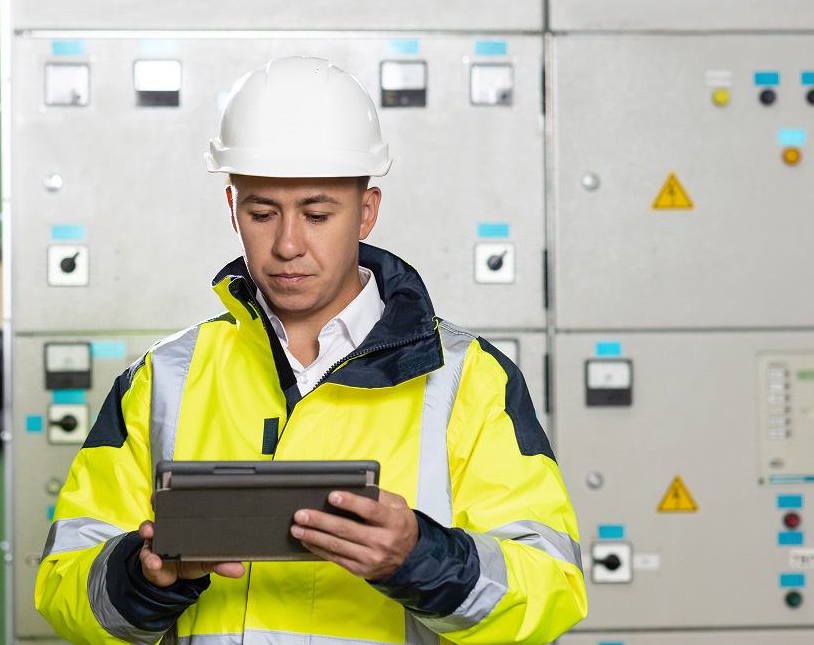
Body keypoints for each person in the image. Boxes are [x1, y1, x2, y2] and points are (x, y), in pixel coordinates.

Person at [35, 56, 587, 645]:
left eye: (317, 213)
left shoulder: (468, 380)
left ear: (367, 213)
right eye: (261, 213)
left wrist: (418, 557)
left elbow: (551, 590)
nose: (288, 244)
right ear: (232, 210)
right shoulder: (162, 379)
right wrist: (147, 578)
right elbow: (65, 588)